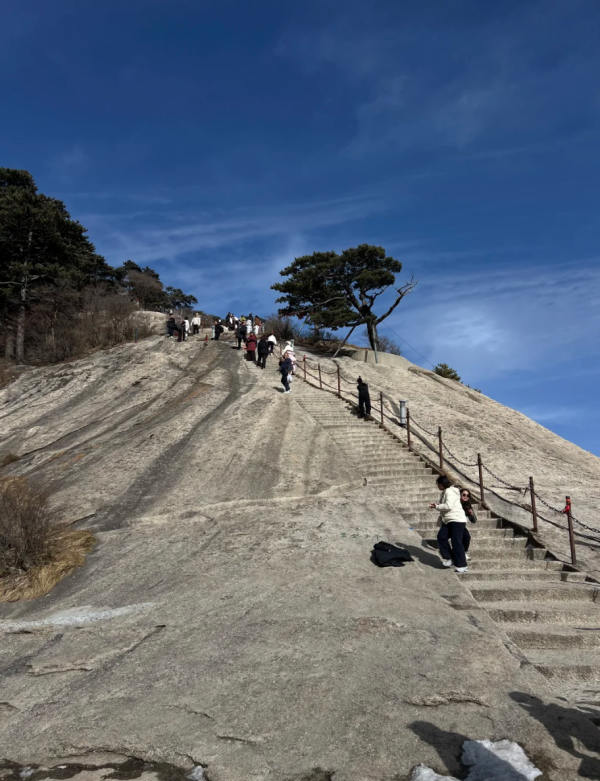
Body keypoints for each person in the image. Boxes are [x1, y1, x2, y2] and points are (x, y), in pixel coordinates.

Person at [429, 476, 468, 572]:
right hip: (449, 520)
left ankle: (462, 565)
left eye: (438, 484)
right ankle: (450, 558)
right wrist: (437, 506)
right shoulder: (446, 492)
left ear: (442, 484)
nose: (437, 486)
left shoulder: (449, 491)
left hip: (456, 520)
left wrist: (437, 506)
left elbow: (448, 506)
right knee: (441, 537)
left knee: (456, 542)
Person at [460, 488, 477, 562]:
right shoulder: (456, 503)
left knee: (467, 537)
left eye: (467, 495)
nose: (466, 496)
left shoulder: (468, 505)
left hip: (461, 525)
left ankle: (464, 552)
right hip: (453, 523)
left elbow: (474, 520)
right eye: (464, 494)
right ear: (460, 495)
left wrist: (471, 515)